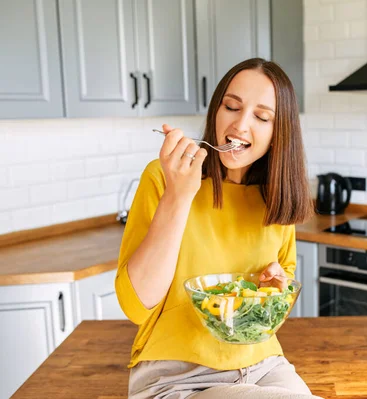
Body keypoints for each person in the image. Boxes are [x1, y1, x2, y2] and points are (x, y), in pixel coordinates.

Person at [116, 58, 321, 399]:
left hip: (265, 366)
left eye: (261, 116)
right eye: (231, 107)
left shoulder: (275, 195)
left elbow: (276, 304)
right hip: (176, 376)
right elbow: (136, 305)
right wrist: (179, 197)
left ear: (277, 132)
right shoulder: (165, 177)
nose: (240, 124)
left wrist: (273, 290)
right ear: (216, 110)